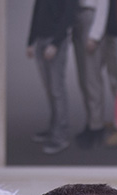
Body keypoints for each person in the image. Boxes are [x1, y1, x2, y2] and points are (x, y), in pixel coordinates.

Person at [72, 0, 117, 149]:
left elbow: (103, 3)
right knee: (89, 78)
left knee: (96, 79)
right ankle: (95, 123)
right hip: (93, 19)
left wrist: (95, 34)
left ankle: (99, 127)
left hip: (101, 21)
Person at [27, 0, 77, 155]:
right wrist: (30, 41)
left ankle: (61, 137)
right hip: (41, 40)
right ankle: (53, 129)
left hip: (55, 42)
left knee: (57, 90)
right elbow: (36, 13)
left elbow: (68, 16)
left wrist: (55, 43)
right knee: (50, 90)